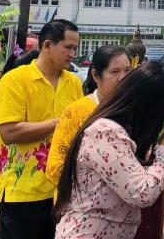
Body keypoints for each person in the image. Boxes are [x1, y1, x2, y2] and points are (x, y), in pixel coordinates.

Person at [54, 62, 164, 239]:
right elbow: (143, 194)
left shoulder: (124, 130)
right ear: (148, 106)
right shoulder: (105, 132)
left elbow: (154, 180)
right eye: (163, 112)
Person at [0, 19, 83, 239]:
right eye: (68, 47)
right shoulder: (15, 80)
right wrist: (61, 122)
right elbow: (9, 132)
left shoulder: (74, 82)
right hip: (22, 191)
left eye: (75, 48)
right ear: (46, 45)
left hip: (61, 190)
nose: (73, 54)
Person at [46, 44, 132, 186]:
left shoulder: (133, 109)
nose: (122, 78)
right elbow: (55, 167)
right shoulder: (76, 113)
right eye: (115, 71)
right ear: (95, 75)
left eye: (128, 70)